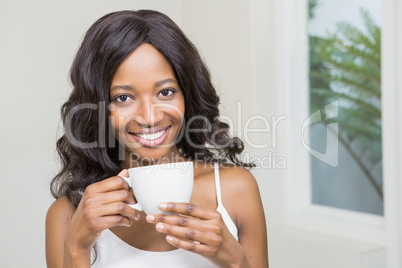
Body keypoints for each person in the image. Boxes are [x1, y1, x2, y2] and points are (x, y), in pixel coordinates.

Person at [46, 9, 268, 268]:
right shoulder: (67, 215)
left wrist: (235, 259)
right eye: (123, 98)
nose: (149, 117)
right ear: (98, 108)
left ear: (187, 94)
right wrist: (76, 246)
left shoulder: (235, 190)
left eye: (165, 92)